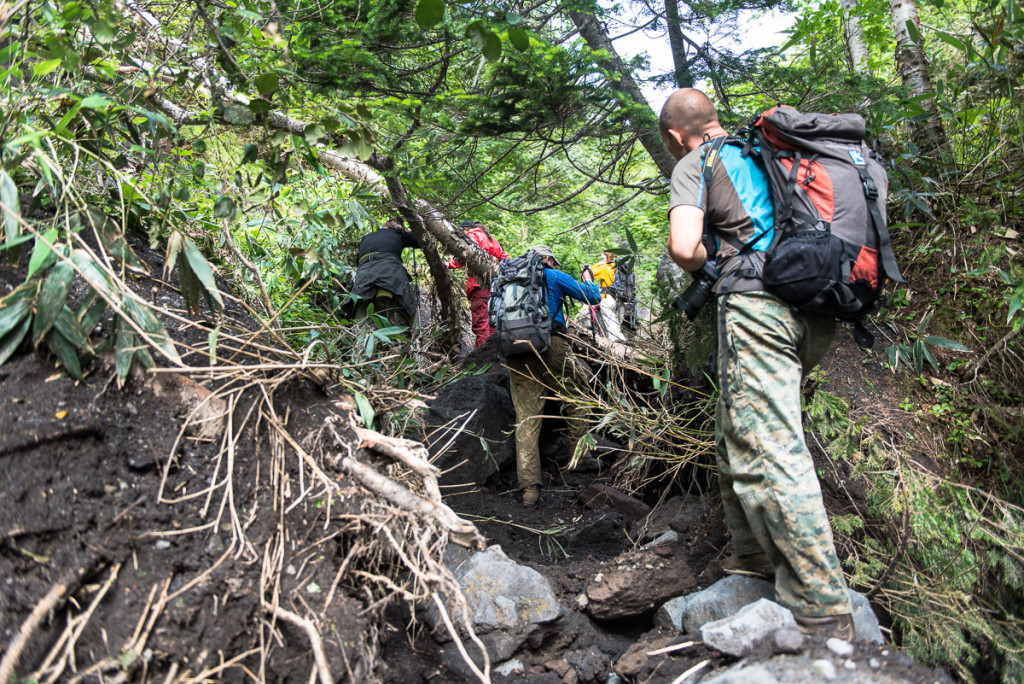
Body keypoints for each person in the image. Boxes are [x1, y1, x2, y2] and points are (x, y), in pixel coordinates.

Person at [659, 89, 855, 641]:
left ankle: (822, 606)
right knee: (735, 427)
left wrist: (710, 259)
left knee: (770, 445)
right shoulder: (770, 151)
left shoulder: (699, 160)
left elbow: (683, 247)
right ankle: (750, 558)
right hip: (814, 309)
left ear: (677, 135)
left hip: (757, 308)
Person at [506, 245, 601, 507]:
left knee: (526, 418)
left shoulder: (508, 279)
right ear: (546, 259)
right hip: (551, 344)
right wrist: (587, 278)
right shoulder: (554, 275)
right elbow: (594, 298)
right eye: (552, 260)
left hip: (514, 349)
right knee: (578, 396)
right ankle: (579, 459)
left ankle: (529, 489)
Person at [448, 220, 509, 347]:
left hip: (479, 286)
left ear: (465, 228)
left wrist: (450, 264)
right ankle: (494, 356)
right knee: (492, 323)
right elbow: (505, 257)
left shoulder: (472, 235)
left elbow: (468, 253)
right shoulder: (492, 239)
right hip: (495, 287)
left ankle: (482, 360)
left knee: (481, 324)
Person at [351, 219, 420, 328]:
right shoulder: (397, 234)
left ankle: (361, 340)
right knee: (396, 317)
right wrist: (414, 232)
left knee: (363, 319)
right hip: (389, 275)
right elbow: (420, 241)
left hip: (363, 279)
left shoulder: (366, 238)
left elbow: (357, 261)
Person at [589, 249, 626, 342]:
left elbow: (589, 273)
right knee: (617, 325)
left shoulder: (605, 267)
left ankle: (617, 344)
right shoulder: (620, 267)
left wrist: (599, 263)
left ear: (606, 257)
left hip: (608, 299)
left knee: (611, 326)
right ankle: (622, 341)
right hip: (621, 300)